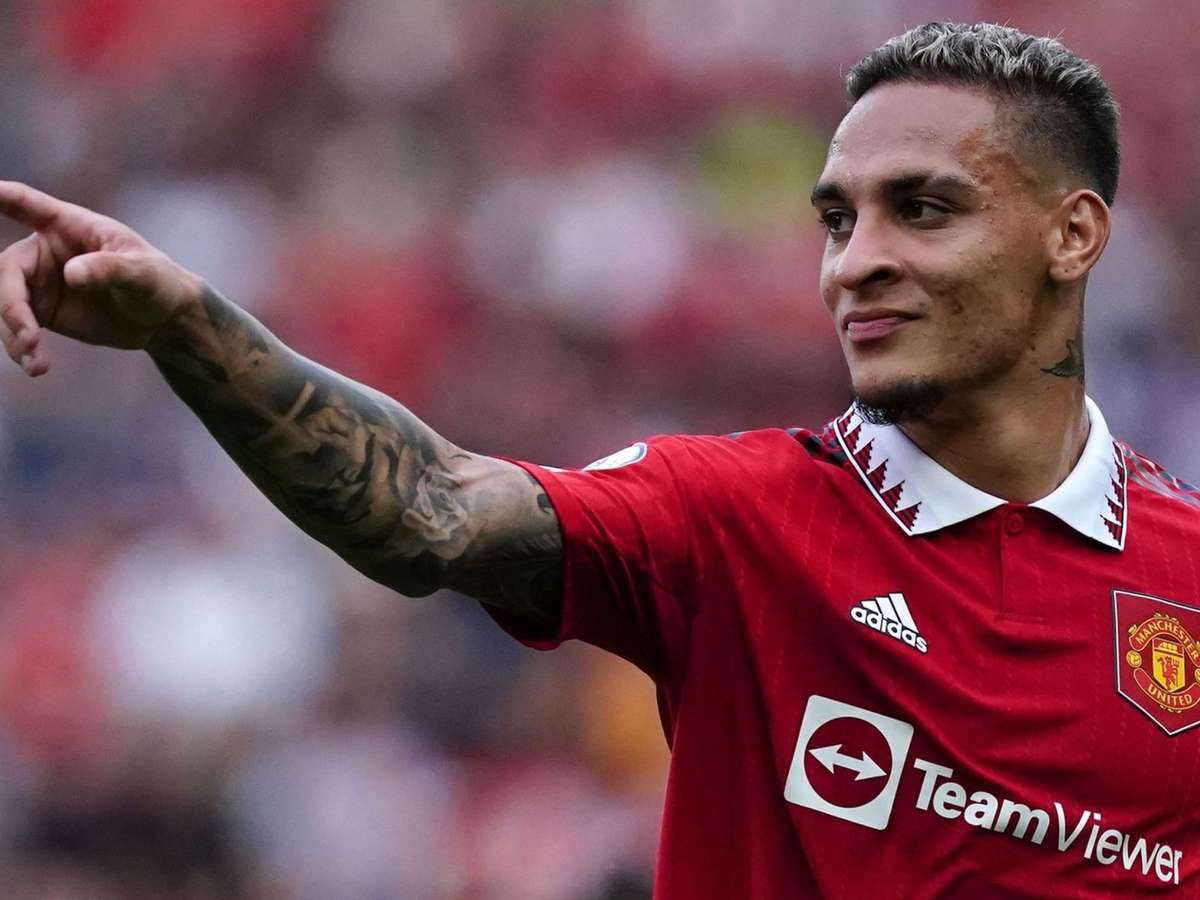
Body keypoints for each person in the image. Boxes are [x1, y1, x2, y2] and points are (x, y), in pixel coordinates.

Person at [0, 19, 1196, 898]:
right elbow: (429, 510)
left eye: (922, 210)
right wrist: (190, 327)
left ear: (1072, 235)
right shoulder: (738, 515)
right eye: (839, 219)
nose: (854, 261)